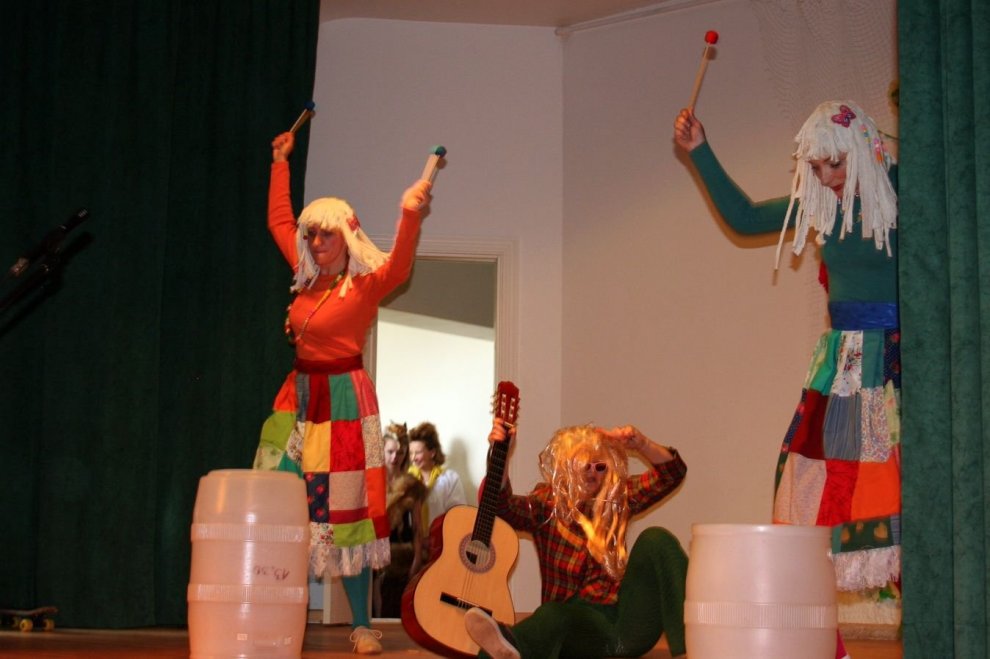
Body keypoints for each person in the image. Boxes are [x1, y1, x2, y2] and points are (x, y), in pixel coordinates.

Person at [673, 101, 900, 659]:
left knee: (902, 492)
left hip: (899, 364)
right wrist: (699, 149)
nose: (826, 177)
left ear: (863, 151)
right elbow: (747, 216)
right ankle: (827, 646)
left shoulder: (900, 193)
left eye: (835, 165)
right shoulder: (819, 206)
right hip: (844, 370)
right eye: (816, 168)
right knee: (814, 498)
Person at [253, 130, 432, 655]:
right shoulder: (304, 276)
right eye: (310, 235)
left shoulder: (364, 284)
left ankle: (361, 625)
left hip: (347, 403)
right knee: (276, 496)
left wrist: (410, 213)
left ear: (346, 236)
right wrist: (280, 162)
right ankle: (270, 612)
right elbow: (278, 222)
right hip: (297, 397)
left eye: (324, 235)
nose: (314, 243)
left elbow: (400, 265)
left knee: (346, 513)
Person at [464, 420, 688, 659]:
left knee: (657, 539)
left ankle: (692, 647)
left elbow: (672, 474)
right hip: (576, 631)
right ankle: (503, 648)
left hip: (624, 628)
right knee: (552, 615)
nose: (593, 472)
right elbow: (501, 506)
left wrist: (642, 445)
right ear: (567, 467)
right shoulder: (545, 505)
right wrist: (501, 456)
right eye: (584, 465)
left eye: (600, 467)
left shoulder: (616, 498)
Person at [372, 422, 427, 618]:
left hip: (402, 558)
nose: (395, 457)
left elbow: (418, 529)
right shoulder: (371, 482)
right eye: (390, 452)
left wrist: (417, 561)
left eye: (400, 452)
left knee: (396, 614)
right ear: (382, 450)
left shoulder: (412, 486)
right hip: (374, 556)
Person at [407, 421, 466, 532]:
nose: (413, 458)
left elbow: (459, 516)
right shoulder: (407, 479)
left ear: (432, 453)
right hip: (414, 540)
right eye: (411, 453)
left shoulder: (450, 479)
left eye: (418, 452)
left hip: (442, 540)